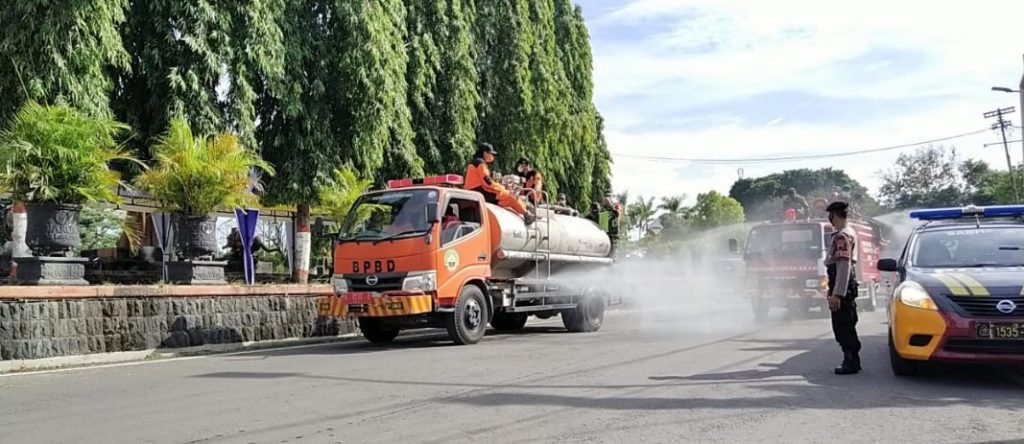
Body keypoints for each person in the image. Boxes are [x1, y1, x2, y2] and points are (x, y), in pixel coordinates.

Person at [825, 201, 861, 375]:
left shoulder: (842, 236)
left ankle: (850, 362)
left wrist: (837, 294)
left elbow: (843, 266)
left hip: (842, 286)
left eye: (830, 216)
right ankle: (853, 360)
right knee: (847, 323)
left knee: (842, 325)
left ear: (833, 216)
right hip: (846, 284)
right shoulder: (850, 231)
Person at [464, 143, 534, 224]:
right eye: (491, 154)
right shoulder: (480, 163)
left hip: (475, 191)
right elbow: (487, 182)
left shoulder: (474, 162)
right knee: (510, 196)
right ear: (485, 153)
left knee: (506, 194)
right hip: (481, 192)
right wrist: (501, 188)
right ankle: (526, 214)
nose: (492, 156)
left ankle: (524, 206)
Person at [589, 192, 623, 257]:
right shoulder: (601, 209)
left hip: (612, 236)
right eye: (605, 196)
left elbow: (618, 213)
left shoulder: (615, 206)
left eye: (608, 196)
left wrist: (610, 205)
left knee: (612, 255)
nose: (606, 198)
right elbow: (595, 217)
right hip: (602, 235)